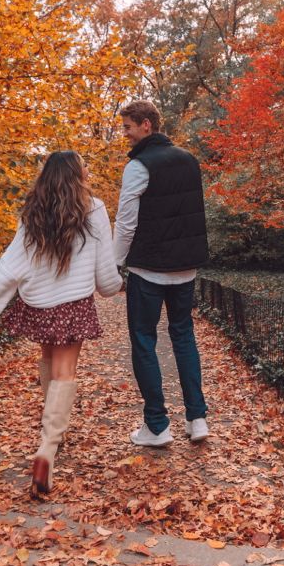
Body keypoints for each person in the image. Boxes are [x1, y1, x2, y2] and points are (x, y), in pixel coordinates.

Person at [0, 151, 122, 496]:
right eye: (84, 164)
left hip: (39, 301)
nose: (87, 168)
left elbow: (11, 260)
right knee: (66, 371)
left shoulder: (33, 210)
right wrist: (113, 286)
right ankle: (47, 448)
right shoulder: (93, 208)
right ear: (76, 173)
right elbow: (104, 265)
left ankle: (53, 433)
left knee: (49, 362)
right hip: (73, 300)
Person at [114, 99, 209, 447]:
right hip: (185, 269)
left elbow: (126, 223)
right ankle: (197, 419)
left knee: (144, 341)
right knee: (184, 337)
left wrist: (115, 263)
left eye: (127, 127)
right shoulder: (189, 161)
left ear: (145, 126)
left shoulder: (139, 166)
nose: (124, 134)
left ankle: (157, 425)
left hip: (149, 269)